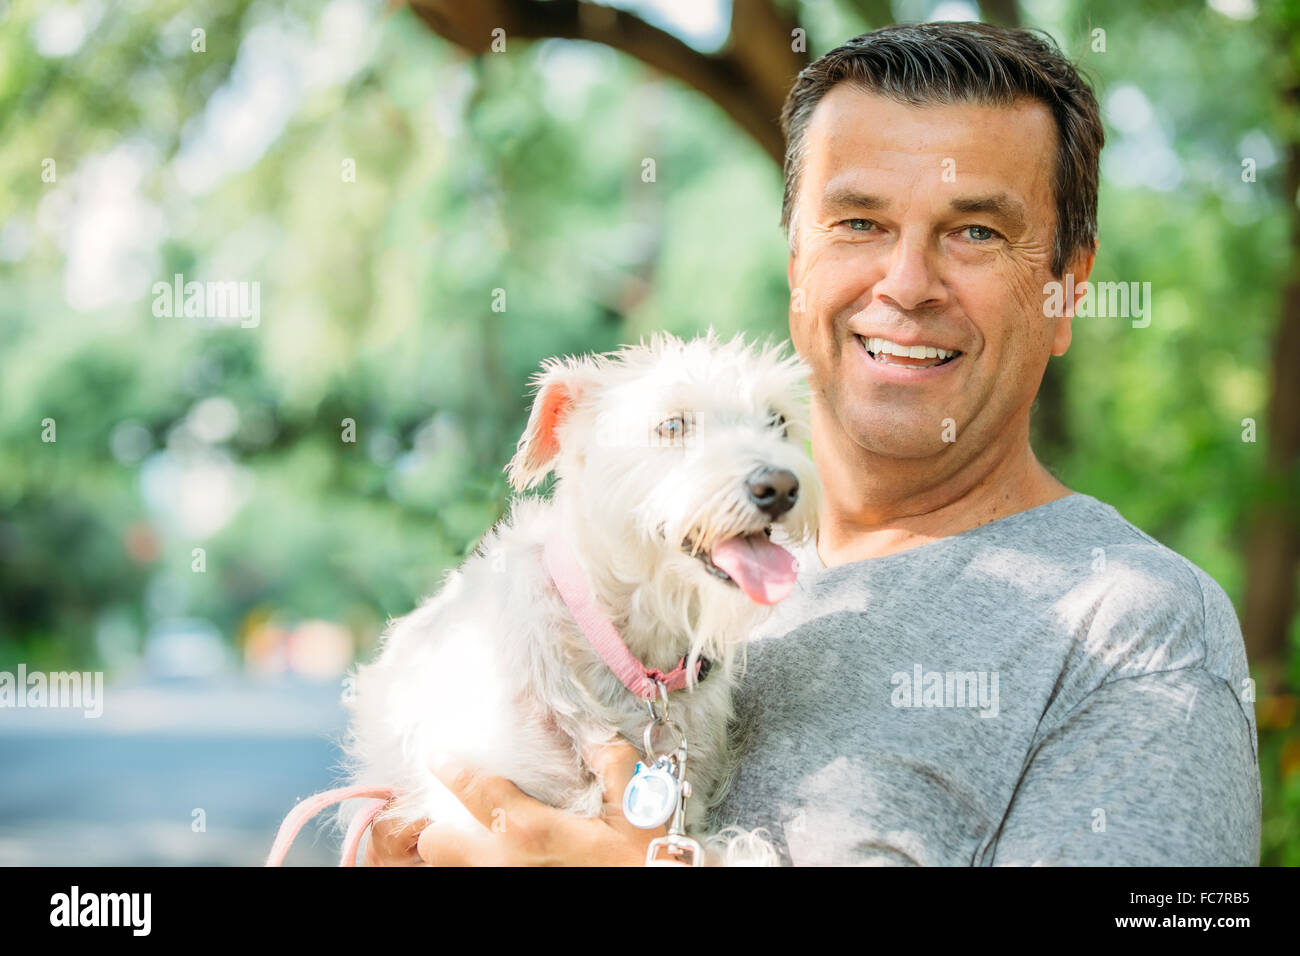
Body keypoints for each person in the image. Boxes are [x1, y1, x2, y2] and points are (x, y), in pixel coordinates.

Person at [365, 21, 1261, 866]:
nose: (907, 284)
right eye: (860, 224)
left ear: (1067, 291)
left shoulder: (1135, 625)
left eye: (976, 232)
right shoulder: (637, 582)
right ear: (798, 268)